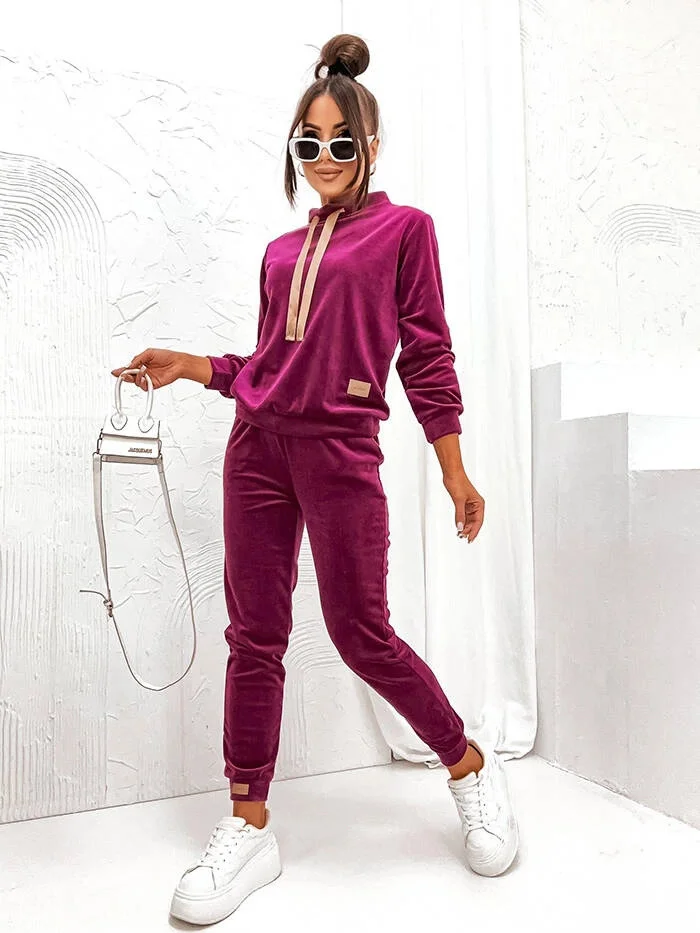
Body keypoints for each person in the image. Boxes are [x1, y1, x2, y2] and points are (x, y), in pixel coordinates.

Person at [112, 33, 518, 926]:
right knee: (255, 634)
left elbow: (428, 356)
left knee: (360, 630)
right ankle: (248, 822)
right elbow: (268, 365)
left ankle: (469, 766)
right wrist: (192, 366)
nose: (323, 156)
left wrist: (456, 471)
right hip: (256, 449)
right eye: (308, 142)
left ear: (370, 146)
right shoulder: (277, 252)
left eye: (340, 141)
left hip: (341, 453)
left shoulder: (405, 232)